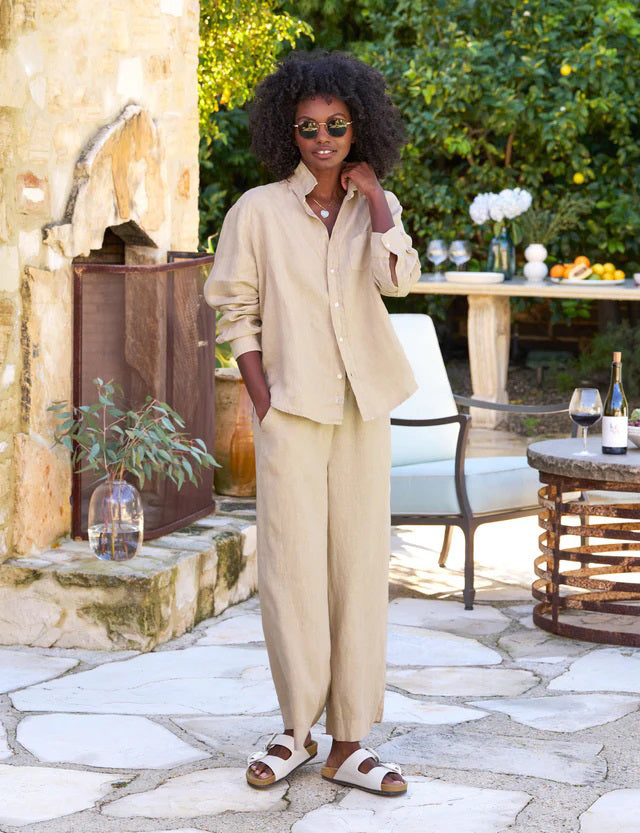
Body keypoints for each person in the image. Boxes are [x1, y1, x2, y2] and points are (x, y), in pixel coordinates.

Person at [204, 50, 420, 797]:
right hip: (291, 410)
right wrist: (262, 398)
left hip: (362, 408)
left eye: (336, 125)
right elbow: (236, 309)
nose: (322, 139)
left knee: (359, 569)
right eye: (307, 127)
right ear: (286, 131)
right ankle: (296, 731)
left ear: (359, 128)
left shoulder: (374, 208)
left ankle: (349, 744)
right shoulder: (257, 211)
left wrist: (379, 199)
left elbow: (399, 280)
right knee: (292, 570)